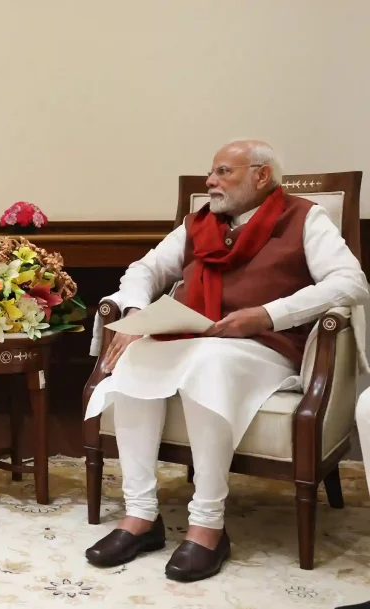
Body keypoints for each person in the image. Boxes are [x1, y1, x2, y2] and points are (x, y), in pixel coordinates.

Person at [84, 140, 369, 582]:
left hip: (267, 347)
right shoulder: (199, 224)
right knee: (136, 355)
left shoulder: (305, 217)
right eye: (211, 172)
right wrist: (136, 310)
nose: (210, 182)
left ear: (261, 176)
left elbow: (351, 283)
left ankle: (208, 527)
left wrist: (267, 314)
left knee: (211, 363)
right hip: (198, 338)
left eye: (222, 172)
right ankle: (141, 518)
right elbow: (144, 269)